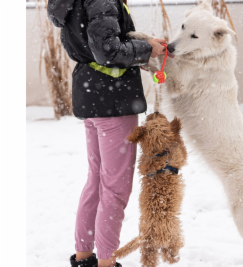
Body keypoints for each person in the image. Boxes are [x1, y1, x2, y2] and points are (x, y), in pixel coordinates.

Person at [48, 0, 166, 266]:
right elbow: (107, 51)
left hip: (90, 94)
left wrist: (141, 46)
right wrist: (148, 48)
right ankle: (106, 262)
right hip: (113, 100)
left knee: (97, 181)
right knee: (114, 189)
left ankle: (84, 255)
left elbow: (89, 46)